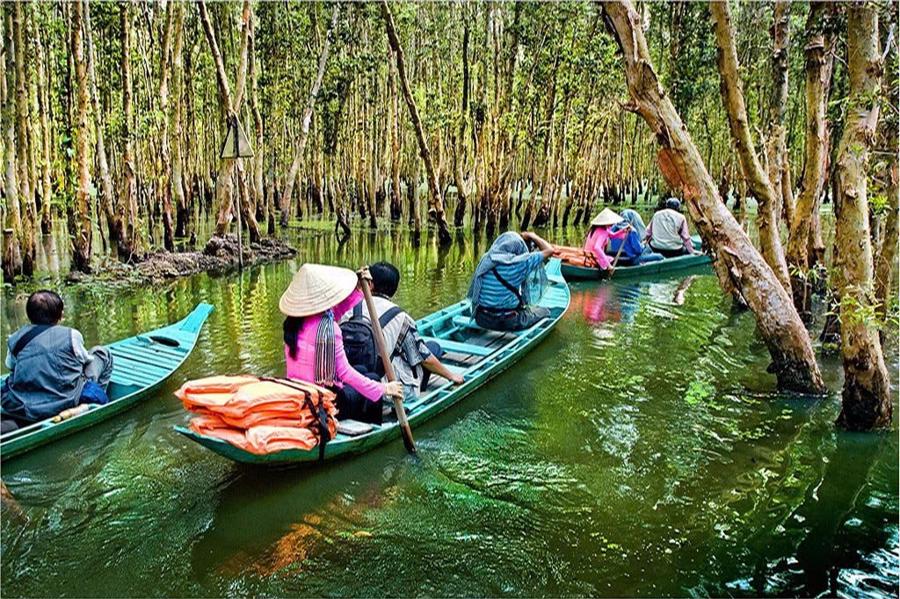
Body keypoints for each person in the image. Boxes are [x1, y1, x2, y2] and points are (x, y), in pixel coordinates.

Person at [280, 263, 404, 425]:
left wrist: (360, 288)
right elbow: (345, 373)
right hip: (324, 402)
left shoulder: (294, 324)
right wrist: (384, 389)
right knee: (373, 377)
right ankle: (370, 426)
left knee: (361, 369)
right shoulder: (329, 329)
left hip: (300, 391)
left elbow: (336, 312)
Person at [342, 262, 464, 402]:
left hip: (355, 381)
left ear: (371, 284)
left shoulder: (351, 309)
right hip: (389, 389)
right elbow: (424, 357)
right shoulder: (401, 317)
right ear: (395, 288)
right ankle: (419, 387)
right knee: (433, 348)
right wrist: (451, 376)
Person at [1, 290, 114, 432]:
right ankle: (90, 406)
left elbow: (10, 365)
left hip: (22, 405)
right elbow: (85, 360)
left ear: (29, 315)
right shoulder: (71, 335)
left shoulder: (15, 338)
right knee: (101, 353)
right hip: (63, 402)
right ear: (59, 315)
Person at [468, 231, 554, 331]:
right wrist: (533, 235)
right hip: (507, 321)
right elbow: (549, 250)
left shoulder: (486, 259)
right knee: (545, 311)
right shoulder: (520, 263)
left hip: (482, 319)